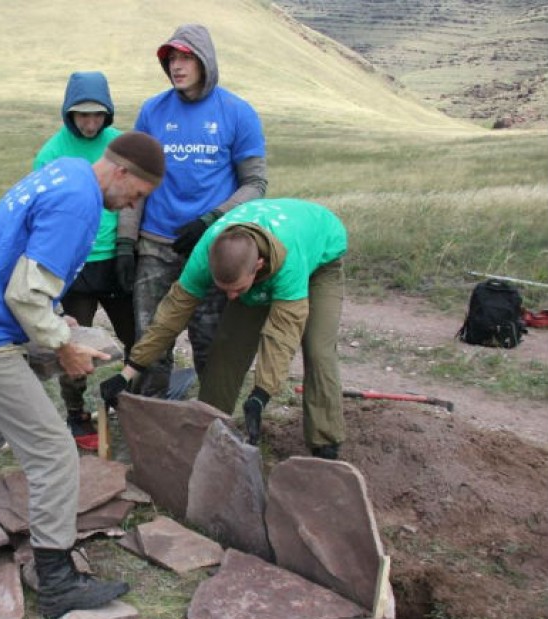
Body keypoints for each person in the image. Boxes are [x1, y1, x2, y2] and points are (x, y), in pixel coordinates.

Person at [0, 131, 165, 619]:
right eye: (136, 195)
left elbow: (27, 267)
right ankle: (56, 579)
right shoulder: (80, 203)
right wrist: (63, 346)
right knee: (54, 453)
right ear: (121, 172)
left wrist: (57, 315)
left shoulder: (67, 173)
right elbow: (25, 295)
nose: (129, 207)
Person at [101, 198, 348, 459]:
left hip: (321, 260)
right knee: (226, 350)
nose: (231, 297)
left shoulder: (289, 262)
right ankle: (207, 431)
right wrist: (128, 372)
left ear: (259, 267)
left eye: (238, 290)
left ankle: (325, 444)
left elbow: (281, 338)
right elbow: (169, 318)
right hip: (260, 263)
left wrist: (259, 397)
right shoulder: (204, 256)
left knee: (318, 351)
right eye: (224, 289)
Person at [120, 23, 268, 398]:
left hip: (213, 246)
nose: (177, 66)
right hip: (156, 245)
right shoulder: (152, 111)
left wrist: (212, 219)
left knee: (210, 342)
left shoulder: (238, 113)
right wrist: (126, 242)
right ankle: (152, 416)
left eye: (185, 57)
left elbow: (255, 184)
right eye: (171, 58)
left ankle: (213, 419)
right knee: (151, 339)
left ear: (205, 60)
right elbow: (134, 180)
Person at [34, 71, 135, 451]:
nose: (90, 123)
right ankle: (76, 413)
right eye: (82, 115)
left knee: (135, 335)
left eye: (97, 115)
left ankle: (134, 397)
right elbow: (46, 214)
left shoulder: (121, 145)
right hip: (74, 266)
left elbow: (134, 196)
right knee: (73, 342)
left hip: (116, 258)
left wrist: (126, 247)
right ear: (69, 114)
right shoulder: (52, 153)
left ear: (108, 113)